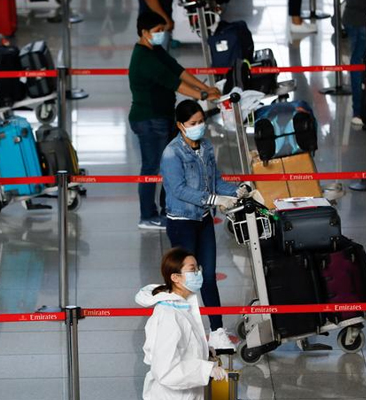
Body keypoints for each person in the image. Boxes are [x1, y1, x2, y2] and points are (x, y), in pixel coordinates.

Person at [161, 100, 260, 343]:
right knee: (185, 280)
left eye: (201, 122)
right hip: (182, 222)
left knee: (207, 277)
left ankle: (216, 331)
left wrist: (237, 191)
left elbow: (215, 181)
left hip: (203, 220)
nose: (198, 127)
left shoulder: (205, 147)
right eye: (192, 123)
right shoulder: (171, 153)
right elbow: (179, 189)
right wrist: (215, 199)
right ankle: (179, 333)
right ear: (180, 125)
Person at [128, 11, 220, 230]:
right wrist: (203, 96)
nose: (161, 35)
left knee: (168, 166)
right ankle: (147, 215)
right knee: (151, 169)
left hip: (164, 117)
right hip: (149, 120)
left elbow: (179, 71)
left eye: (162, 31)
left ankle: (167, 210)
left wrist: (205, 88)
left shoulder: (155, 50)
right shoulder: (143, 58)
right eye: (157, 31)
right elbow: (173, 83)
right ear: (144, 32)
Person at [136, 247, 229, 400]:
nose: (198, 273)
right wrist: (206, 370)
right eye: (192, 270)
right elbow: (166, 370)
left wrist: (204, 351)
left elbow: (184, 345)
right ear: (175, 277)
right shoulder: (169, 315)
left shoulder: (184, 305)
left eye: (198, 268)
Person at [344, 0, 366, 126]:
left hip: (351, 16)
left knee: (356, 62)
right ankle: (359, 110)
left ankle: (358, 111)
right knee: (357, 62)